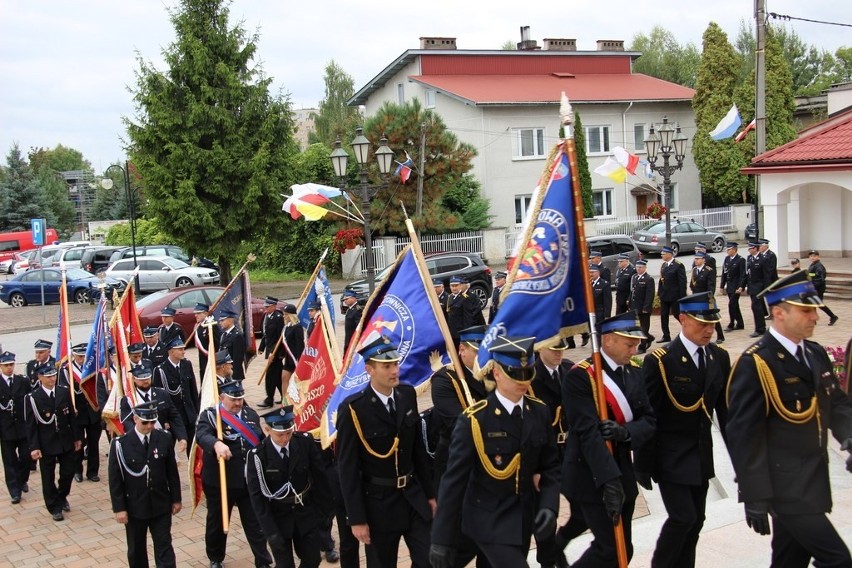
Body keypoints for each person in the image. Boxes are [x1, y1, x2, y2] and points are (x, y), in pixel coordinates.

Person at [726, 270, 852, 567]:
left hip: (813, 477)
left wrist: (849, 436)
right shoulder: (756, 362)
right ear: (779, 313)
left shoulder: (815, 353)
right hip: (786, 489)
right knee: (838, 560)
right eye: (806, 310)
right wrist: (752, 493)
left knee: (788, 560)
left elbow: (837, 404)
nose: (815, 317)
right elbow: (744, 434)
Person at [430, 335, 561, 568]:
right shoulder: (476, 420)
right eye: (514, 374)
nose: (522, 381)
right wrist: (440, 539)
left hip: (523, 518)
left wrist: (549, 506)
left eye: (527, 372)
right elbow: (453, 482)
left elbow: (550, 466)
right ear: (497, 373)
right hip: (487, 519)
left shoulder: (539, 411)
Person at [634, 292, 730, 568]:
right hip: (670, 457)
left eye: (713, 324)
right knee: (683, 518)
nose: (709, 330)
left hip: (700, 454)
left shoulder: (718, 357)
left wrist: (745, 461)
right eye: (703, 323)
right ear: (683, 319)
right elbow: (648, 415)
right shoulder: (661, 361)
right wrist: (642, 464)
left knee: (697, 520)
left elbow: (725, 413)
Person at [561, 312, 656, 566]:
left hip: (623, 472)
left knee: (624, 550)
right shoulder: (582, 376)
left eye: (636, 344)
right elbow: (587, 433)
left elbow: (649, 420)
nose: (634, 349)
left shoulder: (635, 371)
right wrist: (608, 482)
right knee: (609, 550)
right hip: (591, 476)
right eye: (629, 344)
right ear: (608, 340)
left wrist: (626, 432)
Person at [336, 336, 435, 568]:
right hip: (379, 504)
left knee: (431, 559)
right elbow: (348, 468)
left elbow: (417, 451)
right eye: (386, 366)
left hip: (412, 497)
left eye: (396, 364)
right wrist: (357, 518)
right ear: (370, 369)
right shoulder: (353, 408)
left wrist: (430, 495)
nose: (394, 371)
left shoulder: (406, 395)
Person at [196, 379, 273, 568]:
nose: (238, 403)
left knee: (255, 522)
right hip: (221, 481)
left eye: (240, 399)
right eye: (233, 399)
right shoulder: (211, 415)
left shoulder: (251, 415)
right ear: (222, 397)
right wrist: (216, 443)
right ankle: (215, 557)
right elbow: (202, 435)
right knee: (218, 521)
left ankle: (262, 560)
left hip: (247, 480)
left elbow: (260, 442)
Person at [246, 405, 333, 568]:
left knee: (313, 560)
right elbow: (257, 498)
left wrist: (323, 513)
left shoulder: (304, 443)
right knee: (285, 564)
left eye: (289, 433)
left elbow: (320, 478)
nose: (285, 438)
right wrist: (270, 531)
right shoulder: (258, 456)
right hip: (278, 518)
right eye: (280, 435)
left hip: (305, 512)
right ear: (267, 430)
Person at [108, 400, 182, 568]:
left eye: (152, 421)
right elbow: (115, 479)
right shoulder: (121, 444)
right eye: (145, 422)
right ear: (135, 419)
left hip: (161, 503)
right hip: (135, 506)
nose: (149, 426)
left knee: (164, 546)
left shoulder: (164, 438)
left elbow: (171, 472)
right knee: (136, 549)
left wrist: (176, 499)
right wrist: (119, 508)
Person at [532, 337, 578, 568]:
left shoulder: (570, 369)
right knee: (546, 515)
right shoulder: (530, 376)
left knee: (583, 509)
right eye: (554, 349)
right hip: (545, 456)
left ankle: (557, 546)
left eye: (561, 348)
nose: (559, 353)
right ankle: (550, 561)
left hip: (571, 451)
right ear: (540, 348)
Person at [430, 325, 494, 490]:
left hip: (492, 457)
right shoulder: (445, 380)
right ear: (462, 350)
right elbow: (457, 423)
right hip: (457, 459)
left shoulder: (493, 373)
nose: (483, 358)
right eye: (478, 352)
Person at [25, 363, 81, 521]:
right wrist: (34, 447)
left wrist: (77, 437)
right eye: (48, 376)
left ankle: (62, 495)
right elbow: (31, 426)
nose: (52, 379)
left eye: (54, 375)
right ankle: (54, 507)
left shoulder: (63, 391)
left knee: (68, 472)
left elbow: (71, 416)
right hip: (46, 443)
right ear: (40, 377)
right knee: (47, 477)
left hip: (65, 439)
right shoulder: (33, 398)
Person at [119, 365, 188, 455]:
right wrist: (139, 437)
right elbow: (127, 422)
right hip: (141, 442)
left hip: (161, 440)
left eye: (147, 378)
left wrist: (182, 437)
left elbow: (174, 416)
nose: (145, 381)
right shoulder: (129, 399)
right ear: (134, 380)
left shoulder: (162, 394)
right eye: (141, 379)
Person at [61, 343, 103, 483]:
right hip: (77, 415)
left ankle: (92, 472)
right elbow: (63, 393)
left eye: (84, 356)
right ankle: (77, 471)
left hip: (92, 412)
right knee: (77, 444)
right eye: (79, 356)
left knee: (93, 444)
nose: (82, 359)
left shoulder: (93, 368)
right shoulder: (67, 371)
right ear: (73, 355)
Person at [155, 338, 199, 454]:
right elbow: (158, 398)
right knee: (168, 449)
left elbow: (192, 390)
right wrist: (163, 419)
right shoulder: (161, 370)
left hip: (188, 414)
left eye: (183, 349)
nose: (183, 352)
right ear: (171, 352)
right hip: (172, 416)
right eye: (180, 349)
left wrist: (196, 412)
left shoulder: (186, 364)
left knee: (193, 450)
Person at [0, 351, 32, 504]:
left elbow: (30, 403)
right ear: (1, 366)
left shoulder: (23, 381)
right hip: (5, 429)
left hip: (23, 427)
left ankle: (22, 479)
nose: (9, 368)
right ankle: (15, 491)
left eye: (11, 365)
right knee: (9, 461)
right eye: (6, 365)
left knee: (26, 457)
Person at [690, 252, 724, 345]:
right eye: (695, 259)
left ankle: (720, 336)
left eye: (698, 259)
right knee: (698, 317)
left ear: (703, 260)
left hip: (707, 297)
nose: (696, 261)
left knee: (713, 316)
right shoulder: (694, 270)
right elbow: (692, 285)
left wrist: (708, 297)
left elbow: (711, 286)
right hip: (697, 297)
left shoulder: (709, 270)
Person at [258, 297, 285, 408]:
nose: (266, 309)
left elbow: (280, 337)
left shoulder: (278, 318)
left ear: (274, 306)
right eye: (265, 307)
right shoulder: (266, 317)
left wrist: (274, 352)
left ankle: (269, 399)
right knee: (278, 376)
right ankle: (285, 396)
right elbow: (266, 334)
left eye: (268, 307)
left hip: (277, 353)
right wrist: (262, 347)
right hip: (270, 350)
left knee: (270, 376)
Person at [657, 246, 687, 343]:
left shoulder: (678, 265)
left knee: (677, 314)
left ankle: (687, 330)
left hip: (675, 295)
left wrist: (682, 297)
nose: (662, 255)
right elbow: (661, 281)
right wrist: (659, 293)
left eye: (663, 254)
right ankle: (666, 335)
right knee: (663, 315)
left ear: (669, 254)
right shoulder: (664, 265)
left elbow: (682, 282)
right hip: (665, 295)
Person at [446, 276, 484, 346]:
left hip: (461, 333)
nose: (454, 288)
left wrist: (467, 334)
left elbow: (467, 318)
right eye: (452, 286)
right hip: (452, 332)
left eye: (456, 286)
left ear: (460, 285)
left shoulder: (465, 298)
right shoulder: (450, 297)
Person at [807, 250, 840, 326]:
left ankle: (833, 316)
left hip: (818, 288)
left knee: (818, 303)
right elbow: (811, 276)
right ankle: (814, 320)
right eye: (811, 256)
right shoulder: (813, 265)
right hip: (813, 287)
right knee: (814, 303)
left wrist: (812, 285)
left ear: (818, 257)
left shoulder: (819, 266)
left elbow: (820, 279)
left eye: (814, 256)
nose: (812, 257)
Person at [629, 259, 655, 353]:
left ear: (645, 268)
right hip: (635, 306)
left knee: (644, 327)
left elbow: (649, 295)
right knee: (637, 327)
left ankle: (642, 346)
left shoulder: (648, 279)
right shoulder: (634, 277)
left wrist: (646, 307)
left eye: (640, 267)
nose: (638, 269)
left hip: (644, 307)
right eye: (637, 267)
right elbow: (632, 291)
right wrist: (629, 302)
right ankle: (649, 338)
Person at [719, 242, 746, 331]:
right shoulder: (727, 259)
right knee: (734, 305)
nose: (727, 251)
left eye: (729, 249)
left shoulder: (740, 260)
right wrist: (722, 285)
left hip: (736, 286)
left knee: (732, 304)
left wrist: (741, 286)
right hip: (730, 286)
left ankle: (731, 323)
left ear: (734, 249)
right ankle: (740, 323)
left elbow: (743, 275)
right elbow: (724, 273)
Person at [281, 304, 305, 402]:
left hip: (295, 357)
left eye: (286, 314)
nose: (284, 316)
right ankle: (284, 400)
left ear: (291, 315)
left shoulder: (297, 327)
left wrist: (300, 360)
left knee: (297, 381)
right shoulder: (287, 327)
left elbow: (300, 344)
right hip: (288, 357)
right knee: (284, 378)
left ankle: (299, 399)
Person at [745, 242, 768, 338]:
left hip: (759, 286)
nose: (749, 250)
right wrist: (743, 285)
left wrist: (765, 288)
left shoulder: (763, 259)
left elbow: (766, 275)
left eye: (751, 248)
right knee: (755, 307)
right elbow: (746, 273)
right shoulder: (749, 258)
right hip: (751, 286)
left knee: (757, 307)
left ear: (755, 248)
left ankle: (760, 329)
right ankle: (760, 327)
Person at [218, 310, 246, 382]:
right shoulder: (224, 335)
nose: (220, 323)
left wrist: (234, 376)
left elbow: (238, 359)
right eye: (220, 321)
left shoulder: (237, 336)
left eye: (222, 320)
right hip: (225, 373)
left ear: (230, 320)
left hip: (233, 373)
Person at [192, 303, 220, 376]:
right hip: (203, 360)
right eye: (195, 313)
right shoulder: (198, 326)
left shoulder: (211, 325)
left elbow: (217, 343)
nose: (196, 315)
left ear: (206, 313)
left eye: (198, 313)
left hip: (212, 359)